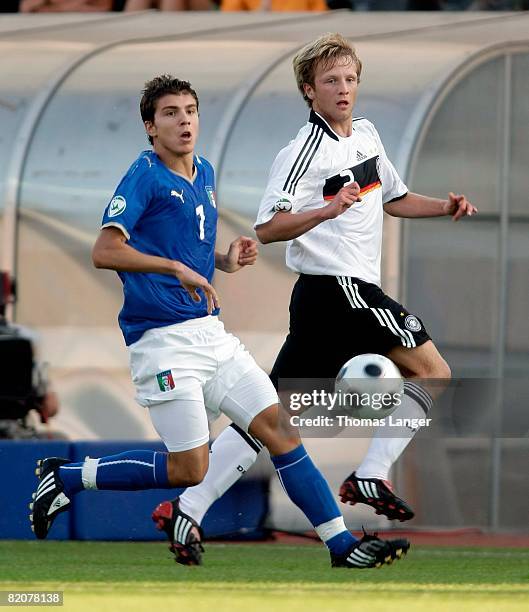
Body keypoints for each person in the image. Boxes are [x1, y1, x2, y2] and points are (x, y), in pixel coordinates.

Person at [30, 74, 409, 570]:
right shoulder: (144, 175)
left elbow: (187, 248)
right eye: (170, 113)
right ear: (151, 126)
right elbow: (105, 251)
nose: (184, 120)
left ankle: (342, 547)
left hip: (212, 334)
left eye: (190, 110)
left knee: (280, 431)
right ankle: (66, 477)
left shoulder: (204, 171)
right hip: (162, 342)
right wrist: (174, 268)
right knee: (190, 468)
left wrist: (226, 260)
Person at [166, 32, 477, 535]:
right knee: (432, 372)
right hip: (340, 289)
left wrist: (444, 207)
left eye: (350, 79)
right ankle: (372, 474)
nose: (343, 88)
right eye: (331, 80)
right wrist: (328, 208)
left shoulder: (368, 135)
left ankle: (190, 506)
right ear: (309, 91)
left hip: (324, 302)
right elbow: (268, 228)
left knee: (272, 414)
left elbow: (394, 198)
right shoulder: (302, 151)